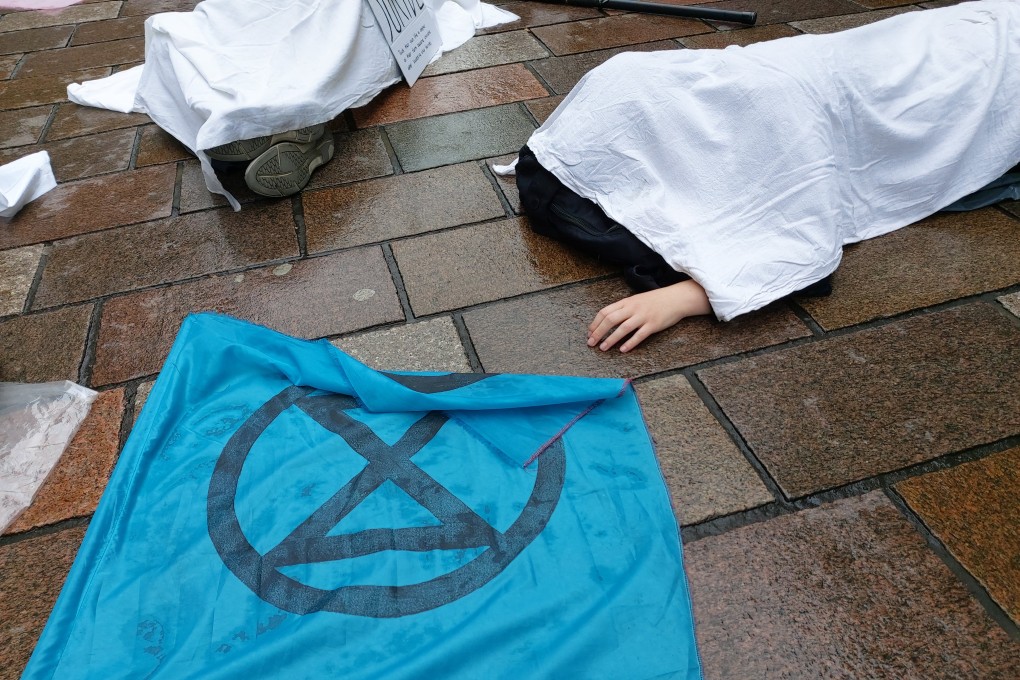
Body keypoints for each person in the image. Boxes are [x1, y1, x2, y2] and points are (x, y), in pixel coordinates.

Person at [513, 0, 1020, 352]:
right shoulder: (632, 84)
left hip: (957, 67)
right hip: (934, 39)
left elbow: (803, 231)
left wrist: (686, 298)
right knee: (634, 84)